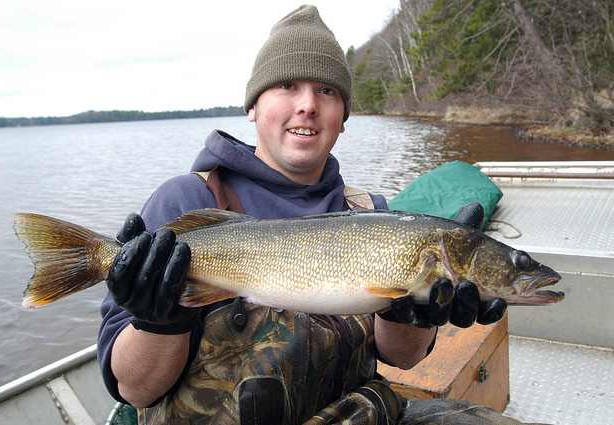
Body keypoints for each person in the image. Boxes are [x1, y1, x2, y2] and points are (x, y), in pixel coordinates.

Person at [97, 5, 516, 424]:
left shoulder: (372, 213)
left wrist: (416, 313)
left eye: (327, 91)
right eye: (287, 85)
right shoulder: (187, 200)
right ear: (253, 107)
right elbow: (136, 389)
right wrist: (159, 323)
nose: (308, 105)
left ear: (343, 118)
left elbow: (401, 357)